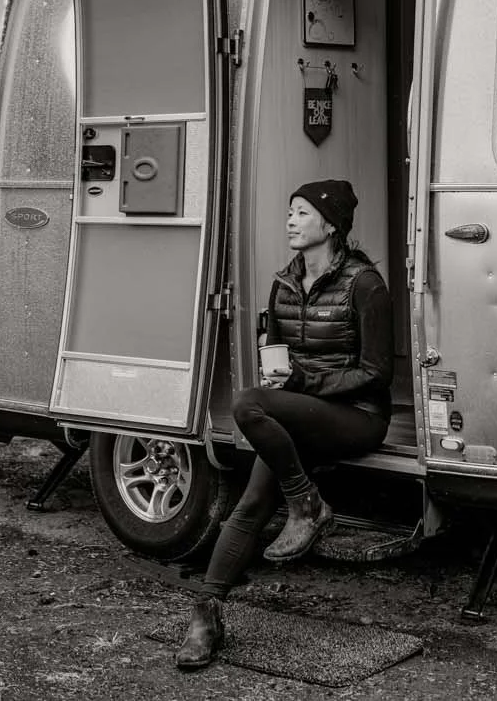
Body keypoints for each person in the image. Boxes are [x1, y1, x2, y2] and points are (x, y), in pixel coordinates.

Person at [175, 178, 394, 671]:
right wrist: (281, 373)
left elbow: (378, 373)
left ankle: (306, 503)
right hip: (298, 410)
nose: (291, 221)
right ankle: (205, 613)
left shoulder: (365, 285)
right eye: (289, 212)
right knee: (252, 499)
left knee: (248, 405)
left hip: (357, 416)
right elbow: (280, 359)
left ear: (331, 224)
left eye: (302, 212)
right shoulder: (285, 283)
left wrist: (301, 385)